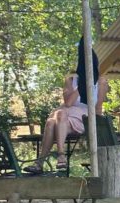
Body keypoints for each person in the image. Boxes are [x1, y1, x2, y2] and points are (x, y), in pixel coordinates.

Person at [25, 43, 108, 173]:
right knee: (54, 119)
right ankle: (58, 157)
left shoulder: (101, 82)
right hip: (66, 117)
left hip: (85, 117)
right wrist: (81, 86)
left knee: (53, 120)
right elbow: (68, 103)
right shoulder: (71, 80)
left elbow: (98, 109)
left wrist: (95, 125)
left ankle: (44, 161)